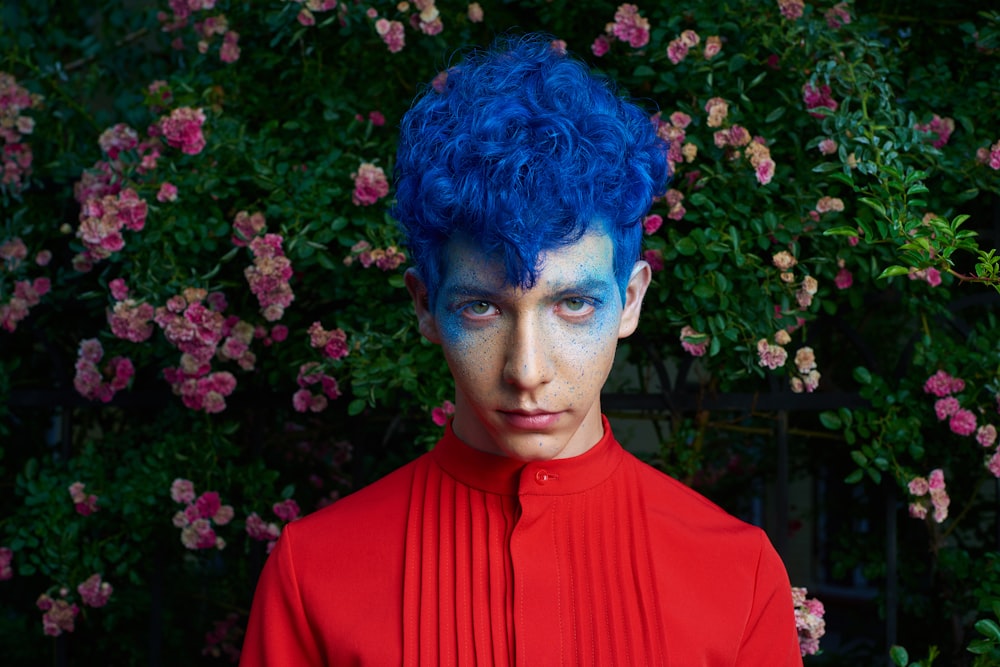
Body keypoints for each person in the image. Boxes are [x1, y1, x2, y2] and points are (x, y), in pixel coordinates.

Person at [240, 34, 803, 666]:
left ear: (632, 301)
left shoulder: (740, 573)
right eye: (481, 307)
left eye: (573, 305)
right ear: (426, 306)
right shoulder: (311, 572)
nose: (526, 371)